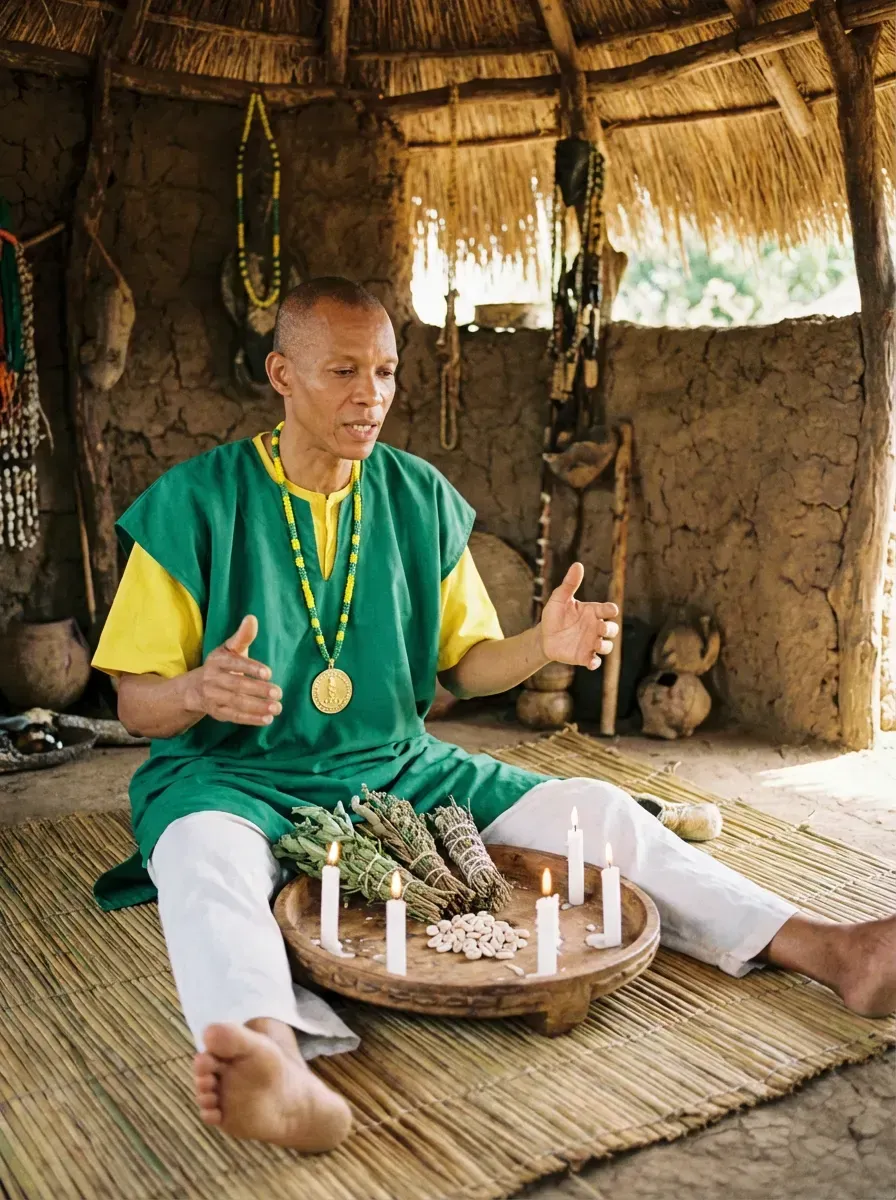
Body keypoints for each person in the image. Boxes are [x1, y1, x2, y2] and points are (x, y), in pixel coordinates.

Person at [92, 277, 896, 1155]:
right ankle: (278, 1062)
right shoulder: (197, 502)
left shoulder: (415, 496)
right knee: (203, 864)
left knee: (593, 809)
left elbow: (466, 669)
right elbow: (137, 703)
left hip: (395, 764)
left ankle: (835, 952)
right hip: (230, 775)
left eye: (389, 372)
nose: (372, 395)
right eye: (344, 371)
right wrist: (199, 691)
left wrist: (540, 645)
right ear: (282, 375)